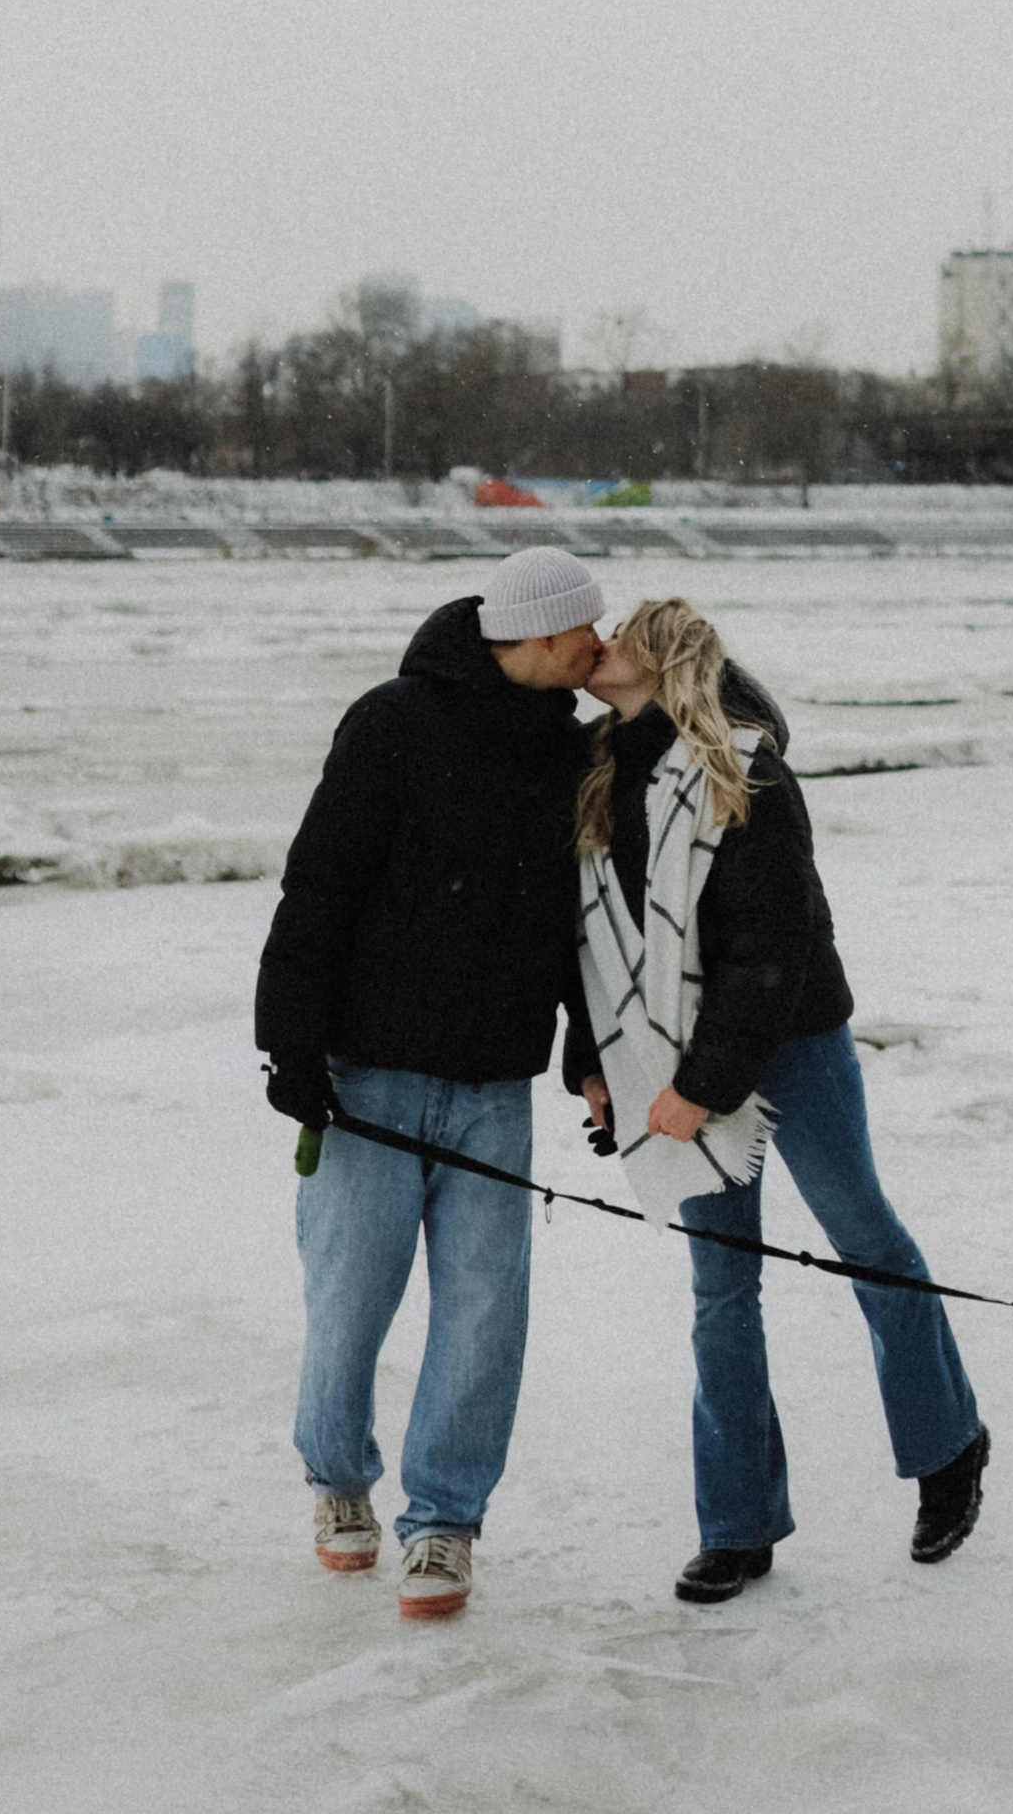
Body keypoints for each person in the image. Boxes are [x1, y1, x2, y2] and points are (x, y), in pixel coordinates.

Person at [574, 595, 990, 1600]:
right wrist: (595, 1066)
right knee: (722, 1291)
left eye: (624, 633)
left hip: (790, 1042)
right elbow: (591, 942)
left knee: (864, 1238)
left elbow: (772, 947)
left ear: (663, 661)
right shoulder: (591, 774)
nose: (602, 643)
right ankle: (738, 1525)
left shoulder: (745, 772)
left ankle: (948, 1450)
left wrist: (702, 1086)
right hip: (674, 1065)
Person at [254, 544, 609, 1621]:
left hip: (493, 1081)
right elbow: (319, 884)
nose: (603, 646)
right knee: (350, 1302)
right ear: (542, 636)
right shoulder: (393, 724)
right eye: (588, 632)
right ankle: (337, 1482)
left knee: (485, 1312)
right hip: (367, 1074)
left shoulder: (574, 754)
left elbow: (579, 930)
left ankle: (445, 1520)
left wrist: (587, 1058)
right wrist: (293, 1047)